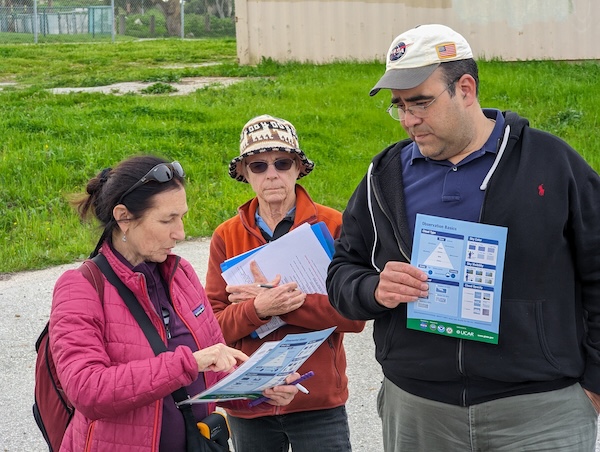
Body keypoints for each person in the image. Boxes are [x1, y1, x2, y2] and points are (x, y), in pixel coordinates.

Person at [326, 23, 600, 451]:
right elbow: (342, 270)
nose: (408, 119)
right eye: (398, 106)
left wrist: (595, 383)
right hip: (419, 408)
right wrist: (374, 288)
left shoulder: (551, 163)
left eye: (420, 102)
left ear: (466, 88)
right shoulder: (384, 177)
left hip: (538, 411)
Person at [50, 155, 300, 452]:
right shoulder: (80, 287)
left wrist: (259, 385)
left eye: (182, 217)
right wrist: (189, 363)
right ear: (124, 217)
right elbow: (87, 390)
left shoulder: (181, 273)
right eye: (167, 220)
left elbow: (214, 371)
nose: (180, 233)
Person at [204, 115, 366, 452]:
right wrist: (257, 309)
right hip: (250, 400)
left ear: (298, 168)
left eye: (282, 162)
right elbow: (213, 328)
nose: (272, 173)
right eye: (258, 166)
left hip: (316, 399)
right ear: (245, 175)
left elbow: (354, 316)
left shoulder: (334, 224)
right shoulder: (226, 235)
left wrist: (287, 304)